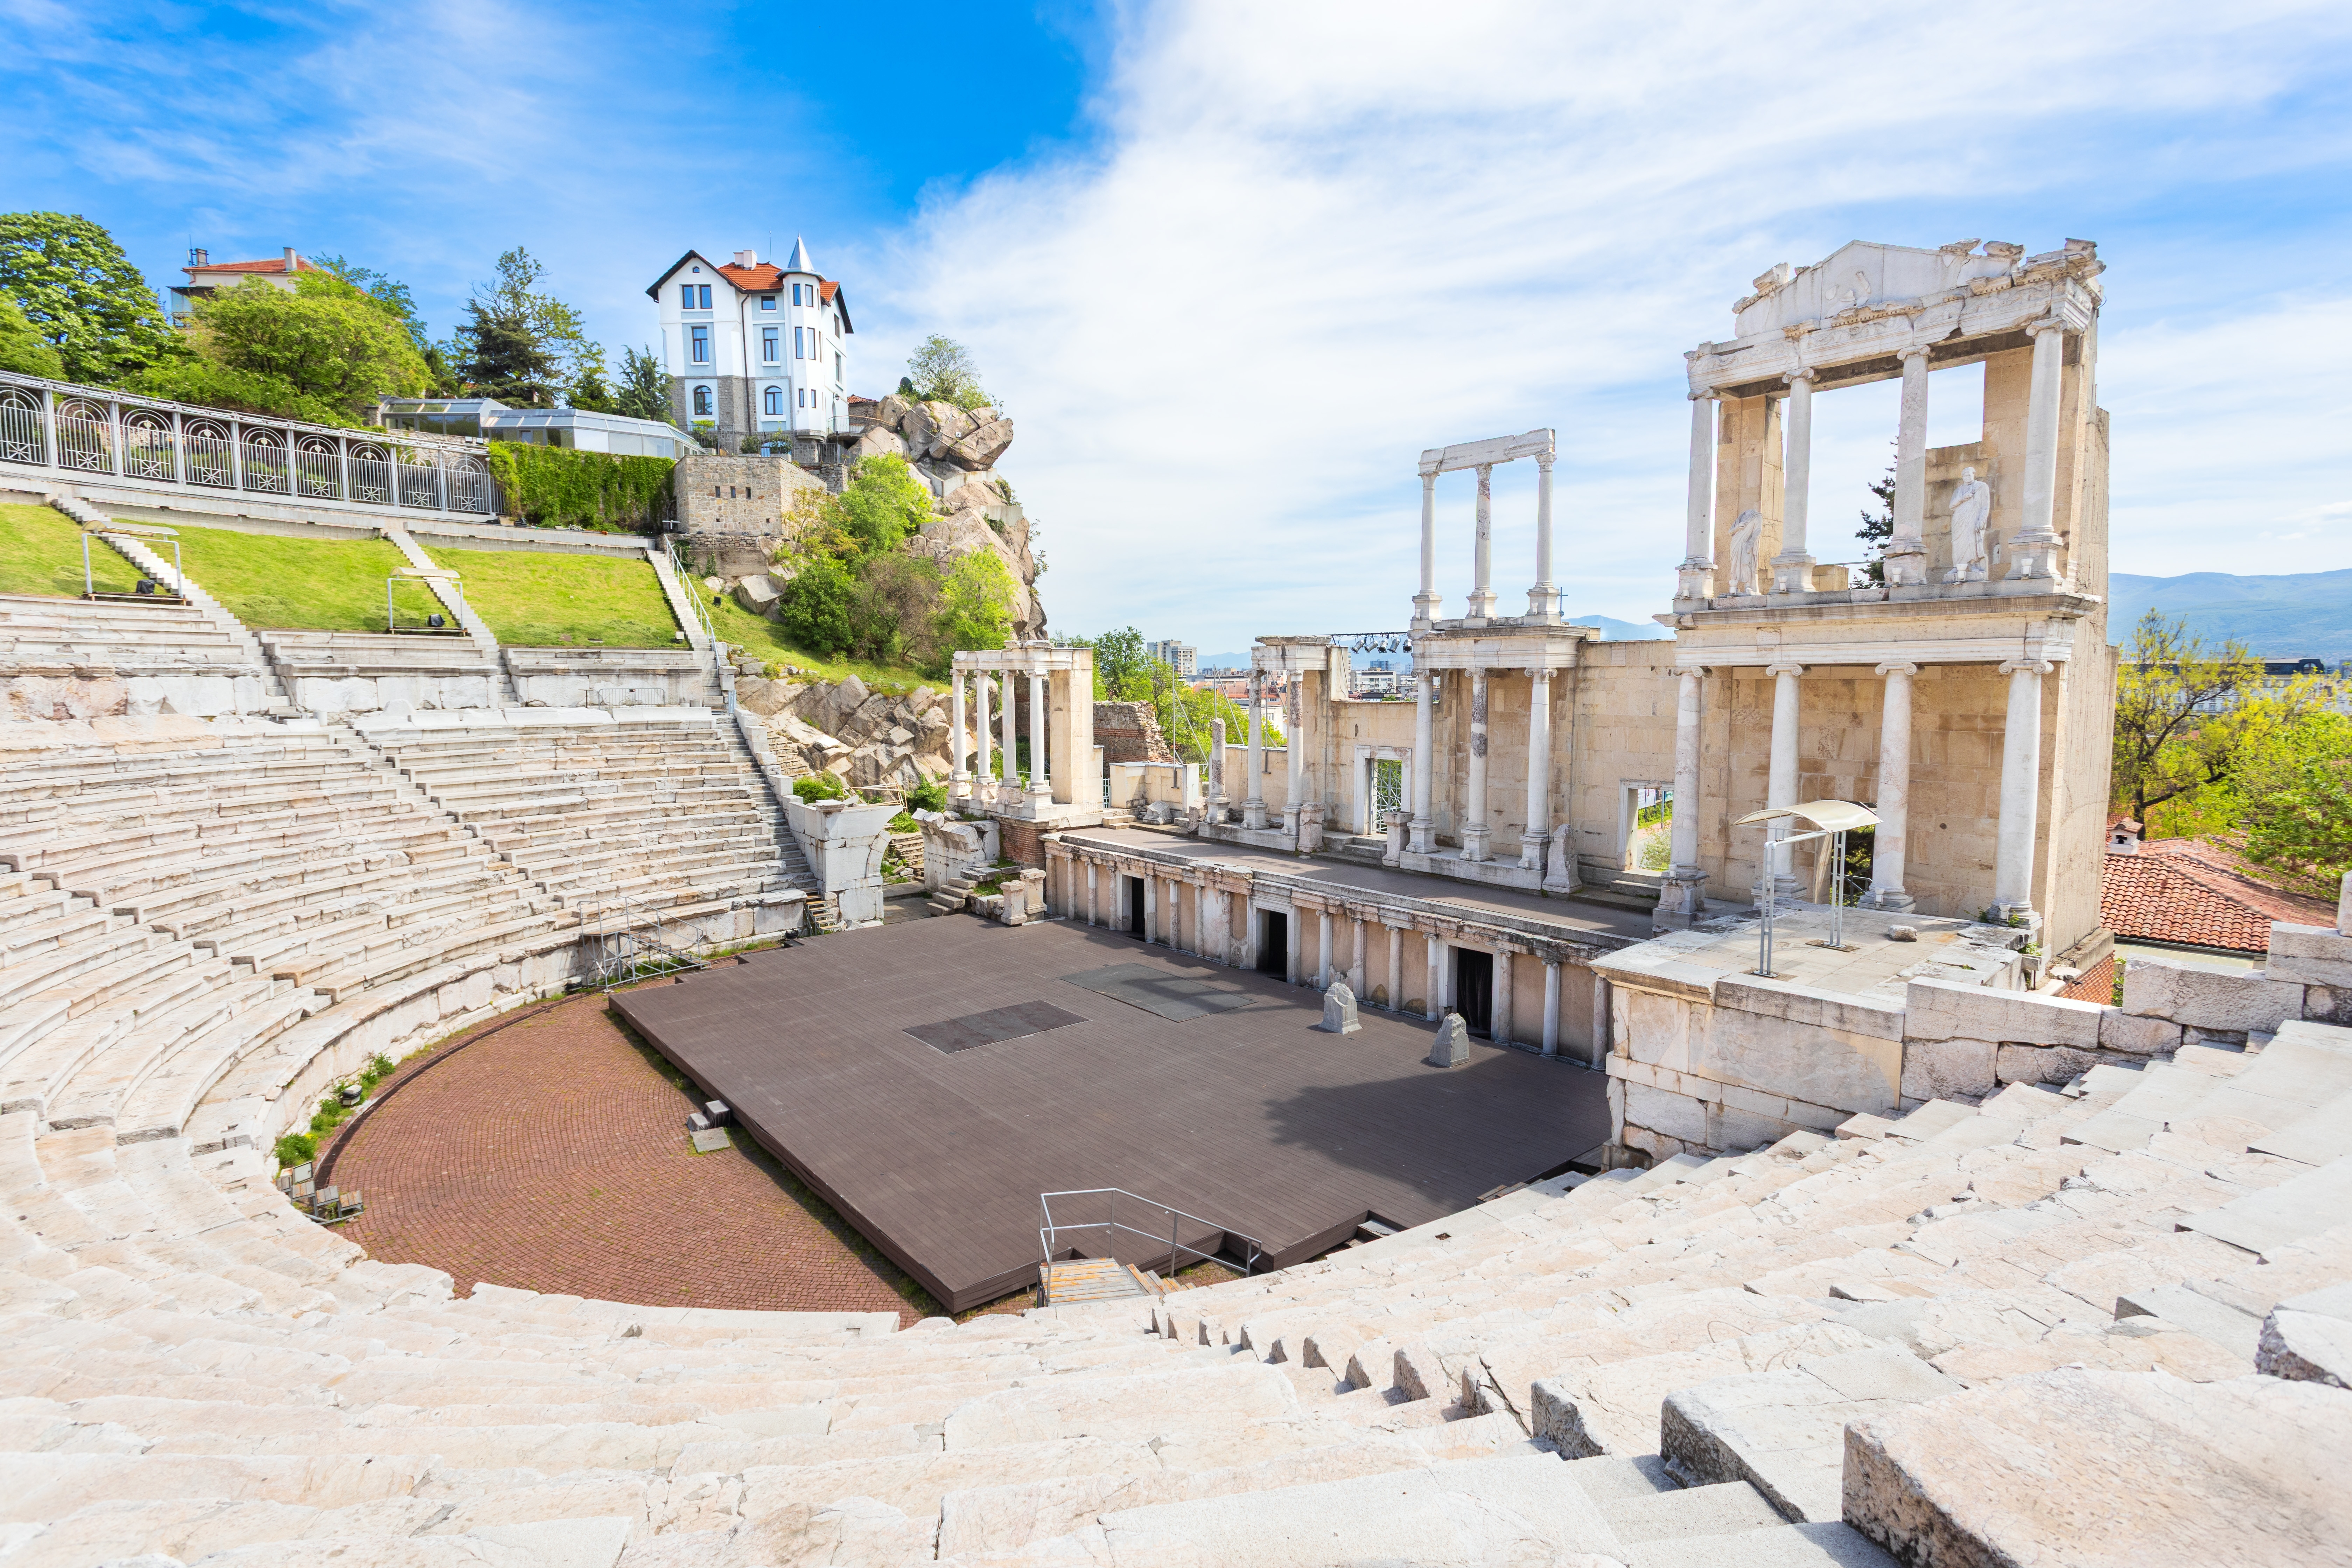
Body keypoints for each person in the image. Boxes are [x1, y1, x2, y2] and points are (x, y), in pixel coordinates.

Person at [1944, 466, 1992, 583]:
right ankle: (1958, 567)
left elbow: (1985, 506)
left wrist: (1982, 520)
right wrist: (1962, 498)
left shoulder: (1981, 487)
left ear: (1974, 475)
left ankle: (1973, 565)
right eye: (1965, 476)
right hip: (1959, 520)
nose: (1968, 477)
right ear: (1962, 477)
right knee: (1958, 542)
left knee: (1971, 541)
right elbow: (1952, 506)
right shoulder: (1959, 490)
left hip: (1973, 518)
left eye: (1970, 475)